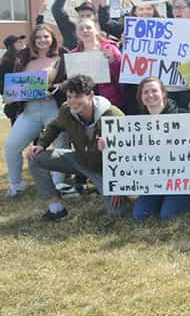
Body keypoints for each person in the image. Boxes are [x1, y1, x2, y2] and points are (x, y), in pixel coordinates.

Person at [25, 75, 129, 221]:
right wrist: (41, 144)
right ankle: (56, 209)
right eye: (69, 96)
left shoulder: (113, 115)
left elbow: (129, 152)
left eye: (78, 96)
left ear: (90, 95)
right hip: (81, 159)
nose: (73, 101)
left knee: (118, 213)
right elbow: (55, 126)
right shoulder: (67, 110)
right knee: (36, 159)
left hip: (106, 169)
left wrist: (119, 184)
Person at [4, 23, 66, 197]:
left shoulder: (63, 55)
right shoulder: (23, 57)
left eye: (46, 36)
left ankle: (59, 183)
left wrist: (56, 88)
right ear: (33, 40)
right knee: (11, 145)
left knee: (60, 143)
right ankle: (17, 184)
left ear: (52, 38)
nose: (42, 40)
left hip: (53, 107)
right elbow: (16, 84)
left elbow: (72, 79)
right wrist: (12, 95)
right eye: (38, 37)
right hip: (29, 110)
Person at [130, 77, 190, 221]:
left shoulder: (183, 117)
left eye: (154, 91)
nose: (150, 95)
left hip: (178, 180)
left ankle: (188, 198)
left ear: (163, 93)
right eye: (145, 92)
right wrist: (107, 146)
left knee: (167, 215)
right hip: (152, 179)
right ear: (141, 97)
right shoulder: (135, 123)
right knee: (140, 215)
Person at [68, 16, 123, 109]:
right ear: (77, 33)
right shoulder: (73, 54)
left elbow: (122, 73)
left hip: (110, 100)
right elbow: (73, 82)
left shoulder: (110, 48)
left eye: (88, 28)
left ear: (96, 30)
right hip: (84, 103)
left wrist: (112, 62)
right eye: (81, 29)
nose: (85, 31)